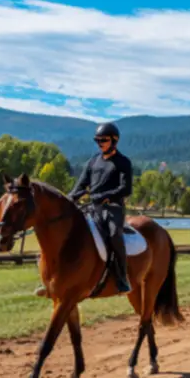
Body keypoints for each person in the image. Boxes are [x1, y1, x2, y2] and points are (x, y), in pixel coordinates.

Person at [69, 122, 133, 295]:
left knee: (114, 235)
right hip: (93, 209)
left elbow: (126, 189)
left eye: (103, 140)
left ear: (114, 140)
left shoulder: (123, 162)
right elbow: (81, 185)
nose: (99, 143)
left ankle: (121, 277)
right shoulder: (93, 162)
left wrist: (105, 196)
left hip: (113, 209)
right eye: (97, 140)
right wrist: (69, 199)